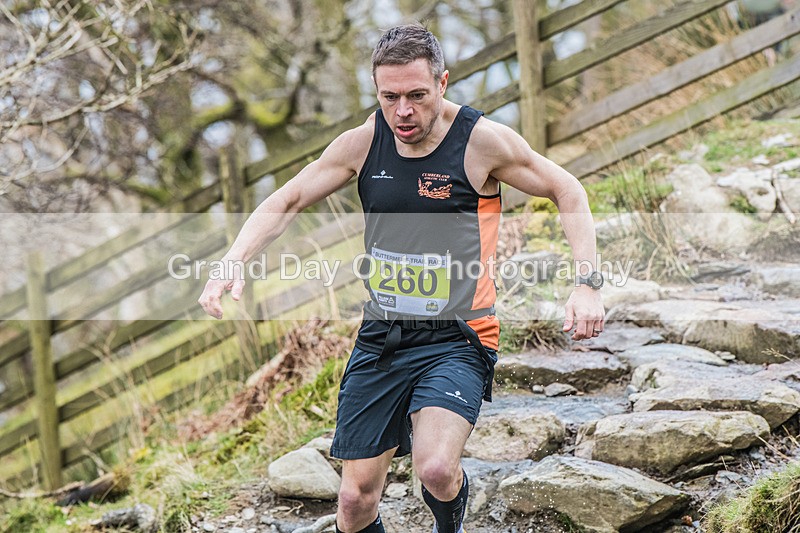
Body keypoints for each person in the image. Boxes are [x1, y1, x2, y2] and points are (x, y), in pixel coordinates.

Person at [198, 23, 605, 533]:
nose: (403, 112)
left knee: (434, 469)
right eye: (389, 97)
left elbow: (568, 190)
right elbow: (288, 200)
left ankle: (450, 517)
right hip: (382, 338)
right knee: (352, 503)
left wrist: (586, 283)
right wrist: (232, 260)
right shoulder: (364, 143)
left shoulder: (481, 142)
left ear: (443, 83)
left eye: (416, 95)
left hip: (459, 336)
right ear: (376, 90)